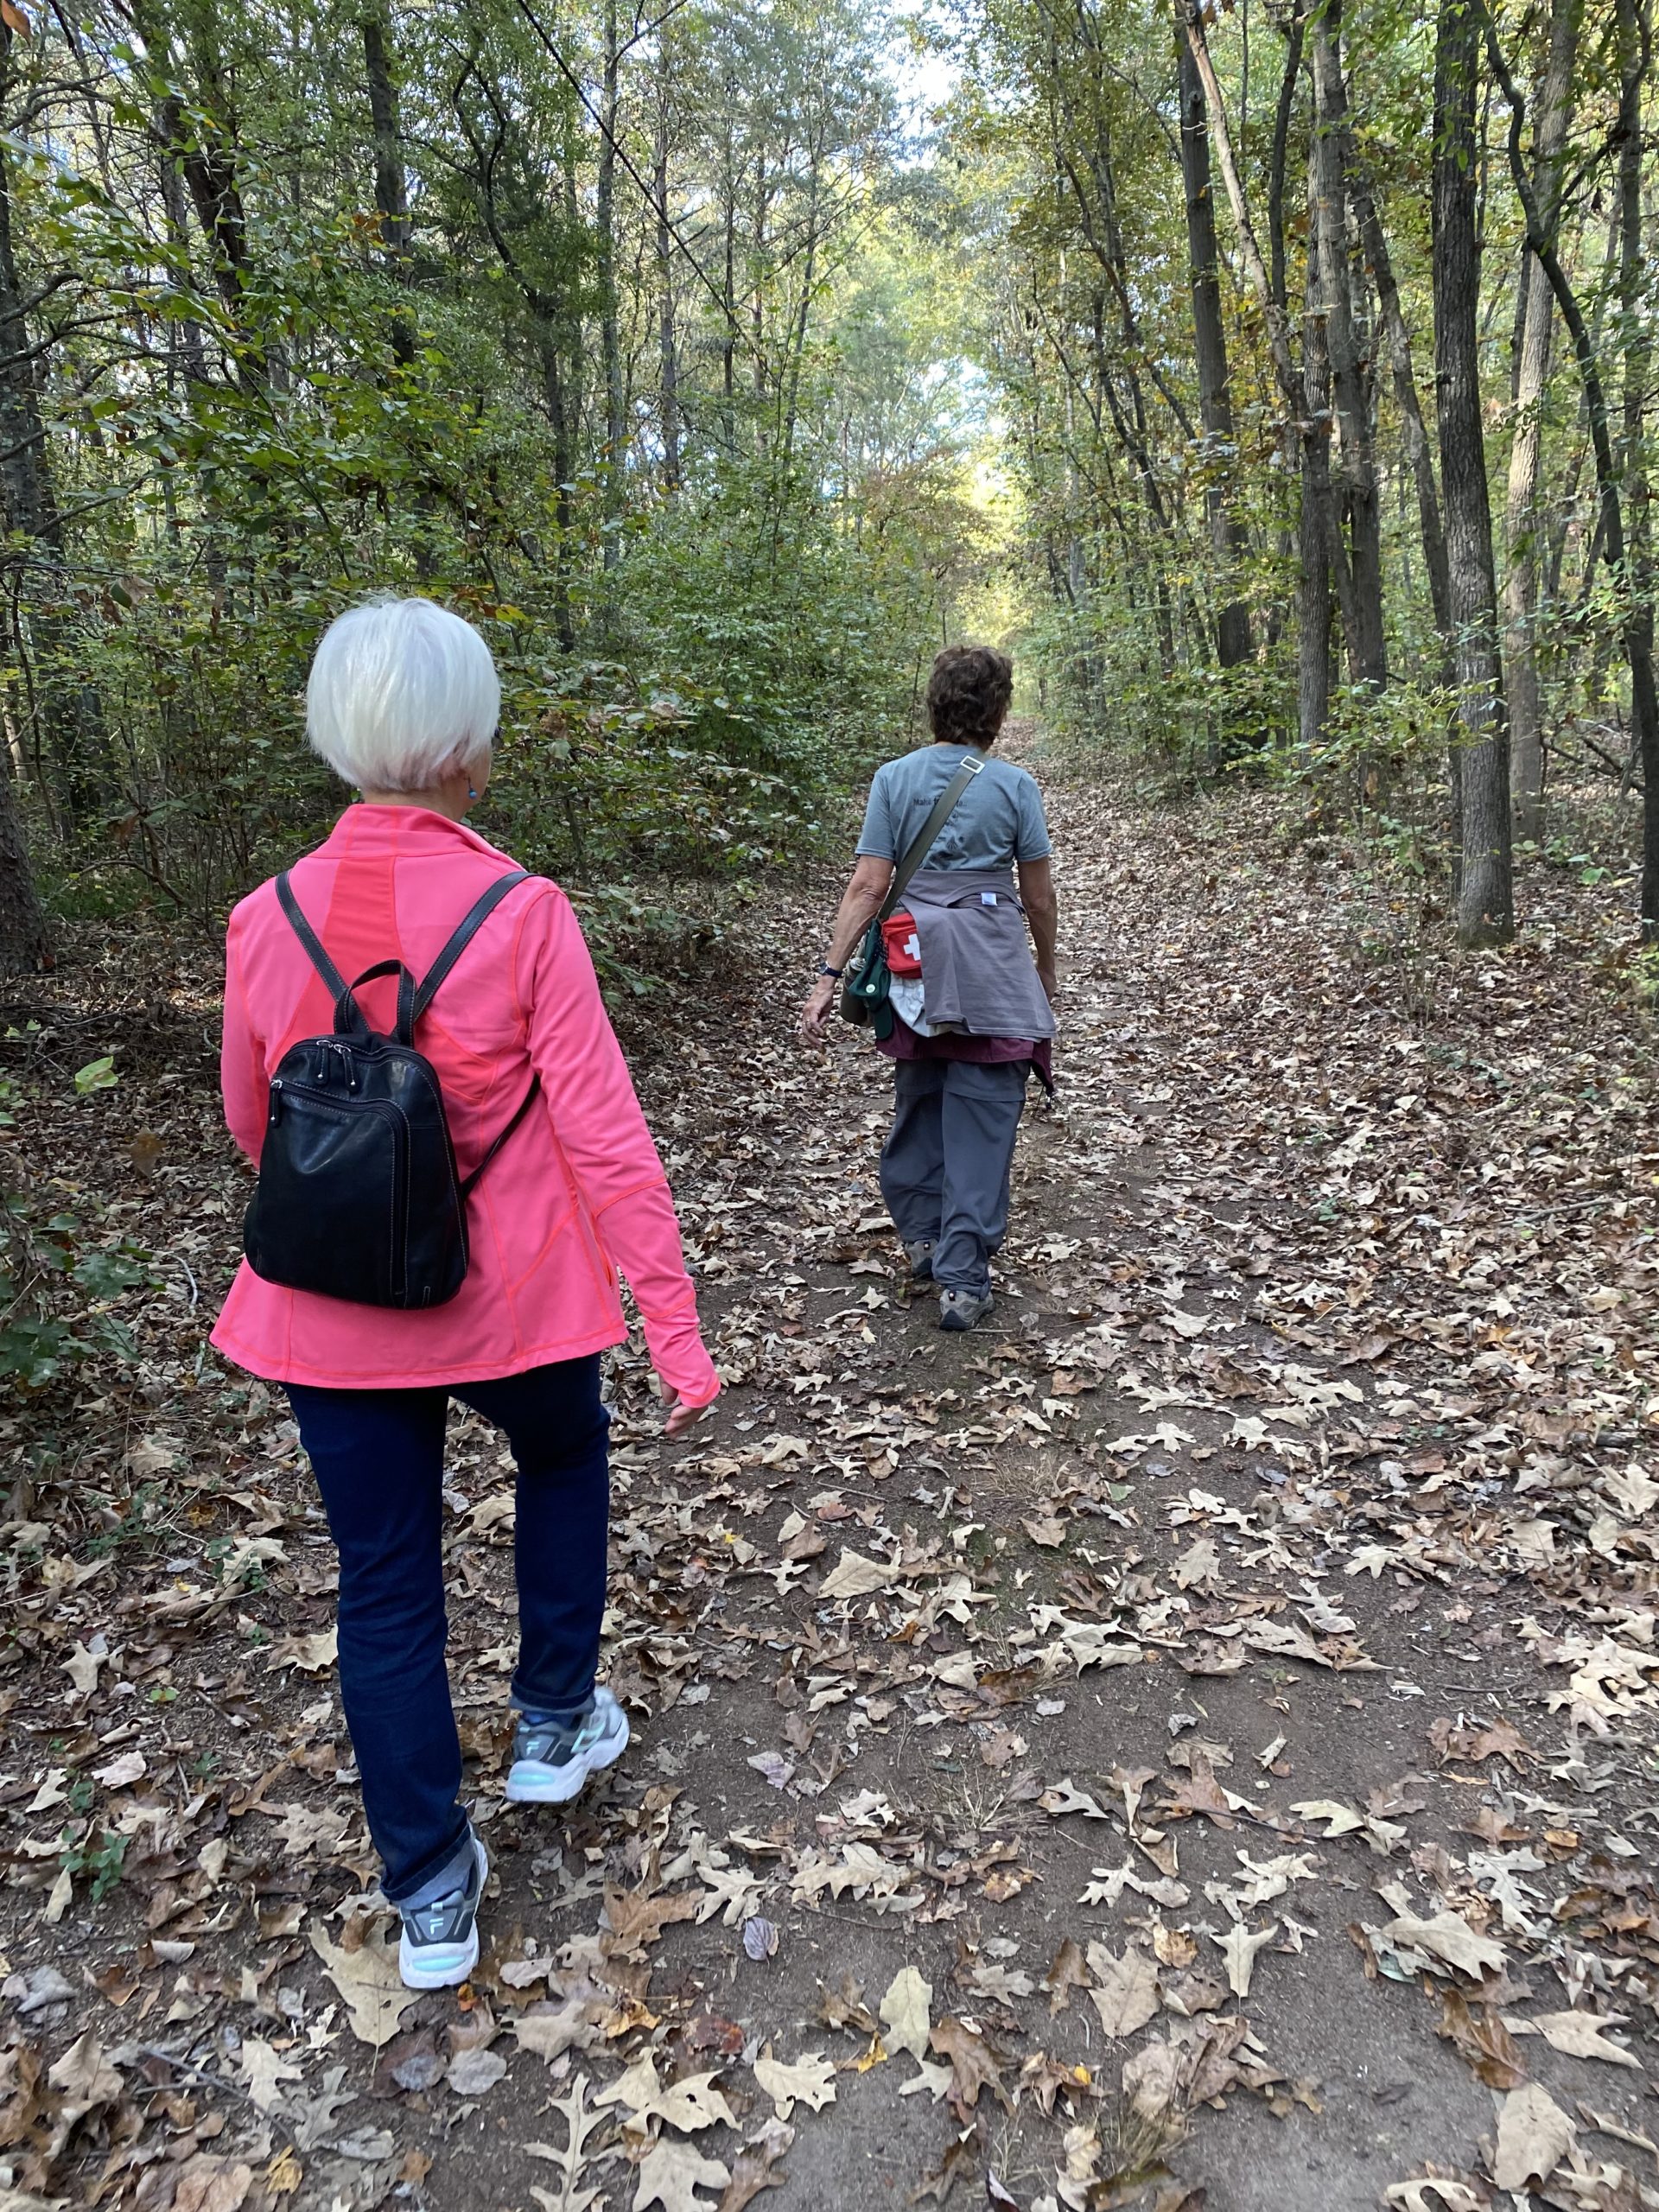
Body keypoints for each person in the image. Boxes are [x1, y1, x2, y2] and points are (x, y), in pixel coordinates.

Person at [211, 595, 720, 1989]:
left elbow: (259, 1128)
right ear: (463, 748)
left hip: (328, 1314)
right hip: (510, 1301)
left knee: (382, 1585)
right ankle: (554, 1722)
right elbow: (606, 1133)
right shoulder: (522, 912)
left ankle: (431, 1892)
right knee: (562, 1457)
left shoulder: (265, 919)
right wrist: (672, 1333)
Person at [798, 644, 1057, 1332]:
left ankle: (922, 1238)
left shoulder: (894, 779)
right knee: (985, 1112)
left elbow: (869, 885)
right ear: (998, 711)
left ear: (935, 704)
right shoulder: (1014, 788)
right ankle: (963, 1278)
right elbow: (1037, 899)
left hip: (912, 967)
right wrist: (1047, 970)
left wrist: (830, 976)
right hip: (992, 971)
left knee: (919, 1100)